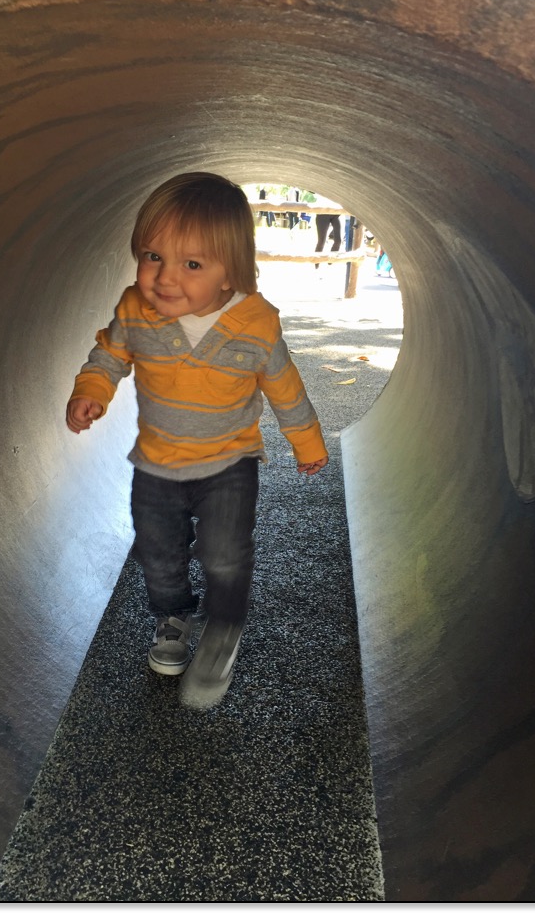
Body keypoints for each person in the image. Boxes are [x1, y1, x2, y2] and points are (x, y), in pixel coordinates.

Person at [66, 172, 329, 710]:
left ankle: (224, 628)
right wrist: (91, 391)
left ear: (230, 271)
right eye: (152, 255)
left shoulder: (255, 325)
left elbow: (285, 388)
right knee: (159, 555)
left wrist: (308, 443)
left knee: (225, 553)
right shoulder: (136, 310)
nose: (164, 277)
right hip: (157, 465)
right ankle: (176, 616)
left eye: (191, 264)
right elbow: (109, 355)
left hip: (229, 462)